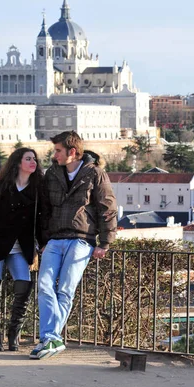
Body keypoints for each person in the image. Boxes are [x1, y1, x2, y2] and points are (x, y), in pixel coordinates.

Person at [30, 131, 117, 360]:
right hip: (55, 240)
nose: (54, 155)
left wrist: (105, 243)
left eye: (58, 150)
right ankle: (52, 338)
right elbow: (45, 210)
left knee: (65, 290)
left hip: (81, 240)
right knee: (45, 285)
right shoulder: (52, 174)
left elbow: (107, 209)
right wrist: (44, 240)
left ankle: (50, 338)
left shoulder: (95, 174)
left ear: (72, 152)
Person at [0, 147, 43, 352]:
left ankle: (14, 334)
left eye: (34, 158)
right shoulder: (4, 186)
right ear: (18, 163)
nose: (33, 162)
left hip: (20, 247)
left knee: (24, 286)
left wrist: (41, 244)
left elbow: (41, 219)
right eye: (28, 158)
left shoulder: (37, 187)